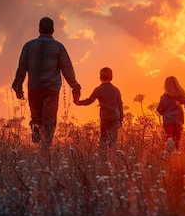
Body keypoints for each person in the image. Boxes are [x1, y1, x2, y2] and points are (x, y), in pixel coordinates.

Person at [12, 17, 81, 148]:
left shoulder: (29, 46)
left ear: (39, 29)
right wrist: (75, 87)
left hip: (34, 88)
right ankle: (46, 148)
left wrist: (18, 87)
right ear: (53, 30)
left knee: (36, 116)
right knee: (49, 120)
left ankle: (36, 126)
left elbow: (21, 68)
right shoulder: (58, 47)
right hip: (51, 89)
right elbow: (67, 69)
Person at [75, 67, 124, 153]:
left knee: (103, 139)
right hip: (115, 118)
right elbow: (120, 105)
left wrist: (79, 102)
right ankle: (112, 159)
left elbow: (89, 101)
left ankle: (102, 158)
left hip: (105, 118)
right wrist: (121, 119)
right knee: (113, 141)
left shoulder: (98, 90)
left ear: (100, 78)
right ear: (111, 78)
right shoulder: (116, 90)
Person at [156, 76, 185, 151]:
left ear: (165, 86)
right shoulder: (180, 97)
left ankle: (169, 140)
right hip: (178, 121)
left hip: (168, 121)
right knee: (177, 139)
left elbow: (159, 110)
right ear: (177, 85)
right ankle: (175, 151)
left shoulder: (163, 98)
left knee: (169, 134)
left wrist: (164, 111)